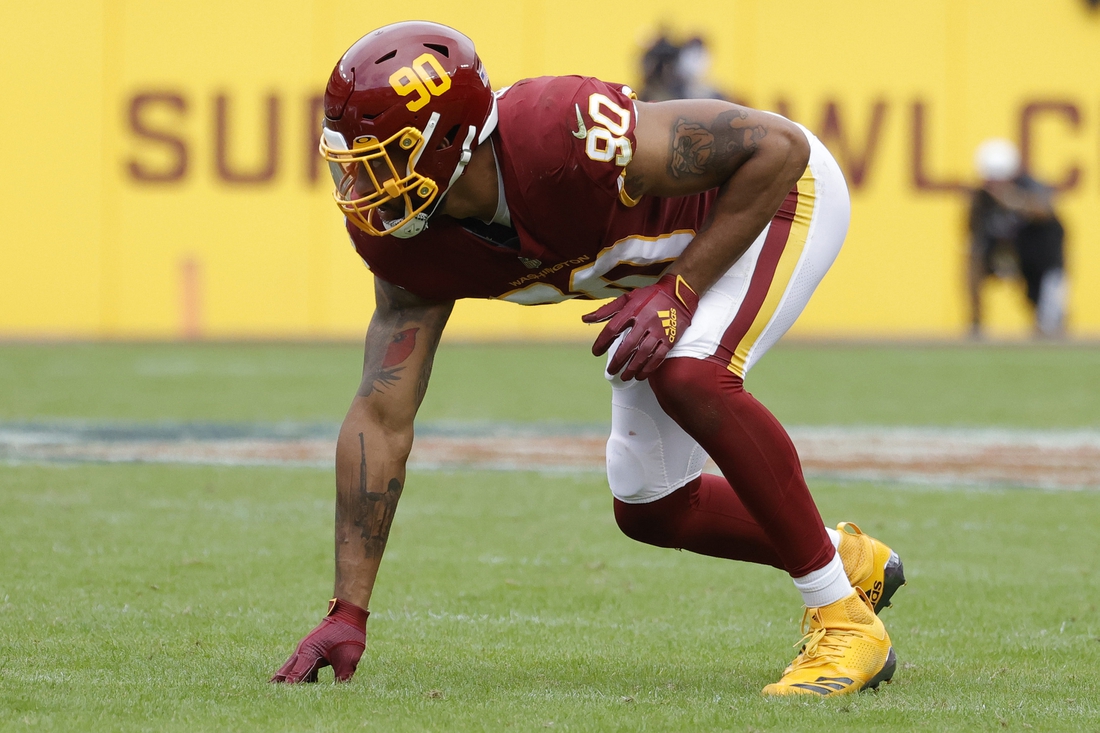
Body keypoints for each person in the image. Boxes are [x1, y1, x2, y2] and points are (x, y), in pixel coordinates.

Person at [271, 21, 905, 696]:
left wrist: (680, 290)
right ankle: (848, 560)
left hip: (775, 200)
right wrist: (349, 610)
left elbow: (777, 149)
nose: (361, 182)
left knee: (690, 374)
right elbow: (381, 413)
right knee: (652, 503)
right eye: (351, 160)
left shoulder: (558, 131)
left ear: (451, 141)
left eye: (382, 157)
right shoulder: (407, 244)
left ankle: (844, 623)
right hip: (662, 273)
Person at [968, 138, 1068, 337]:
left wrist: (1013, 200)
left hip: (1039, 259)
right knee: (972, 258)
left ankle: (1049, 324)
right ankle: (976, 324)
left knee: (1049, 324)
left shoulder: (1029, 186)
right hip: (1003, 254)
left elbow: (1044, 211)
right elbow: (973, 231)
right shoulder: (981, 198)